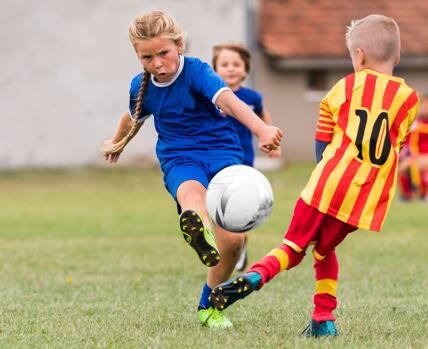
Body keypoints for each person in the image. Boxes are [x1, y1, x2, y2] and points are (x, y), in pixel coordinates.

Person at [209, 14, 419, 337]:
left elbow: (323, 137)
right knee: (323, 250)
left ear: (359, 55)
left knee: (293, 247)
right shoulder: (409, 99)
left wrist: (324, 169)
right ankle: (324, 319)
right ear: (398, 56)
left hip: (327, 185)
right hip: (363, 199)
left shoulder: (345, 86)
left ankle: (254, 276)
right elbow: (398, 144)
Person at [100, 11, 283, 329]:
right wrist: (117, 143)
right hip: (179, 157)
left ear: (178, 46)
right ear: (137, 55)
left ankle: (210, 304)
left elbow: (229, 101)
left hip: (222, 155)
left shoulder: (197, 71)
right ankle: (197, 228)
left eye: (163, 54)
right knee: (191, 193)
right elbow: (132, 117)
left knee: (235, 242)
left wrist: (261, 129)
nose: (158, 63)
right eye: (147, 57)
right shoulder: (140, 86)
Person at [212, 43, 282, 272]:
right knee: (216, 206)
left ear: (245, 70)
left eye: (236, 64)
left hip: (243, 162)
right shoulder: (211, 96)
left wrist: (270, 139)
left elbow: (263, 115)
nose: (230, 69)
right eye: (224, 64)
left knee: (239, 208)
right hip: (215, 159)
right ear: (215, 69)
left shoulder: (252, 97)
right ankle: (223, 245)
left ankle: (239, 245)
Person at [397, 94, 428, 201]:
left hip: (425, 157)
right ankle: (408, 194)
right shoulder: (415, 123)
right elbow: (405, 143)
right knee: (401, 166)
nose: (423, 107)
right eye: (423, 104)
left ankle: (420, 193)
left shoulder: (420, 125)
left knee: (411, 164)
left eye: (426, 105)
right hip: (416, 157)